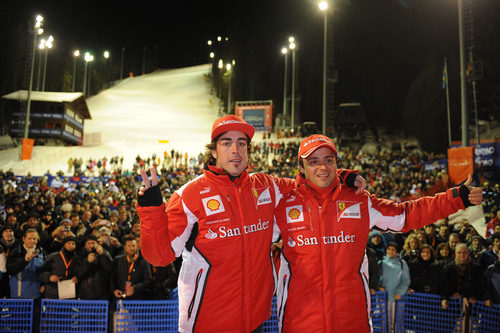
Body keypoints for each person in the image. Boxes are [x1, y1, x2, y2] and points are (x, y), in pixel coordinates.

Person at [136, 116, 364, 332]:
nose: (235, 150)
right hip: (208, 322)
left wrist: (342, 176)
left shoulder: (266, 185)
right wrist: (151, 209)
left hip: (255, 320)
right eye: (227, 143)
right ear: (214, 151)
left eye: (242, 143)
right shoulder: (189, 195)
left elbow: (309, 178)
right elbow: (160, 256)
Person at [273, 134, 483, 332]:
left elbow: (406, 215)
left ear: (337, 164)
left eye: (328, 160)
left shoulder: (359, 200)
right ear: (300, 167)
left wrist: (455, 199)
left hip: (352, 322)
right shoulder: (282, 204)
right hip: (299, 323)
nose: (322, 167)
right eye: (313, 162)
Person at [440, 243, 483, 309]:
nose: (462, 255)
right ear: (455, 253)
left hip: (473, 304)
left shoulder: (476, 267)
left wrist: (475, 296)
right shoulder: (448, 268)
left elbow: (480, 285)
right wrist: (448, 296)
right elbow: (444, 286)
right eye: (459, 253)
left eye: (464, 252)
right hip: (454, 303)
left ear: (468, 253)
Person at [379, 242, 410, 333]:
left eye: (393, 250)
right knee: (385, 320)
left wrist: (400, 292)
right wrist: (380, 287)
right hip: (384, 298)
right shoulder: (381, 262)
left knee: (398, 321)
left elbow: (406, 280)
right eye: (389, 249)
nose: (391, 251)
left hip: (397, 298)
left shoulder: (402, 263)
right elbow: (377, 277)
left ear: (396, 251)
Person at [6, 229, 45, 298]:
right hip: (19, 294)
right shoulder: (16, 251)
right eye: (29, 238)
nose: (32, 241)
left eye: (34, 238)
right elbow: (10, 270)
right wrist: (25, 260)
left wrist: (44, 284)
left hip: (36, 294)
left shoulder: (41, 252)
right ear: (24, 239)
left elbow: (44, 271)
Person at [111, 235, 151, 300]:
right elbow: (112, 277)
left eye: (133, 246)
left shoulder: (144, 261)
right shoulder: (117, 260)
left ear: (137, 247)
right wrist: (114, 290)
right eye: (129, 246)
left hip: (138, 297)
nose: (132, 248)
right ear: (125, 247)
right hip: (120, 296)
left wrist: (134, 288)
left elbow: (148, 280)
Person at [76, 234, 113, 299]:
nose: (91, 245)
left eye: (93, 243)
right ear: (85, 245)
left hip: (102, 292)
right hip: (84, 293)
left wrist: (102, 254)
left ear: (97, 244)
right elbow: (78, 274)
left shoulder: (104, 252)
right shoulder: (79, 254)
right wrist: (87, 262)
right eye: (89, 243)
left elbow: (110, 268)